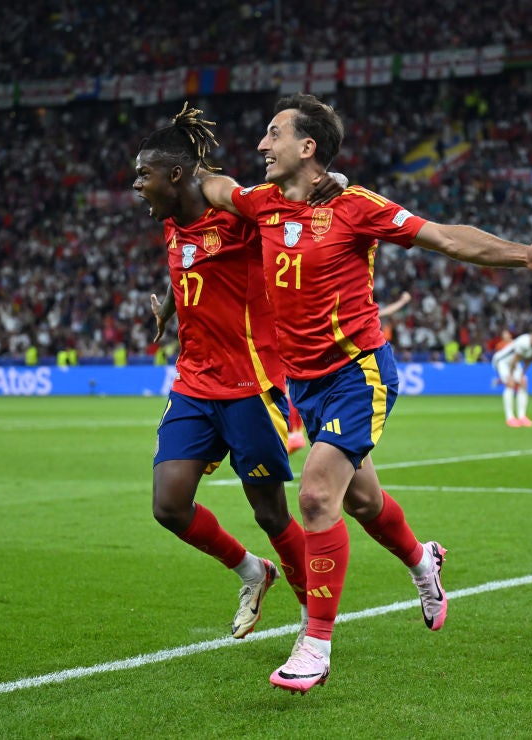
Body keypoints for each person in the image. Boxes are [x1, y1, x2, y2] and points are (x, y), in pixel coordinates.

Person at [200, 93, 532, 694]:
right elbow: (219, 189)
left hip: (359, 374)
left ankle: (316, 645)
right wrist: (183, 163)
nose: (261, 145)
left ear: (307, 147)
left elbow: (447, 238)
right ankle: (421, 561)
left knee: (315, 494)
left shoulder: (358, 208)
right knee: (362, 503)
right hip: (305, 383)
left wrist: (523, 256)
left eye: (273, 134)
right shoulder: (265, 204)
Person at [134, 103, 343, 640]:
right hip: (194, 382)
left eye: (144, 175)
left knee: (271, 514)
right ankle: (253, 571)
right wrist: (168, 308)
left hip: (250, 385)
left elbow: (282, 200)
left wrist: (332, 180)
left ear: (176, 175)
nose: (137, 186)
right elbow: (194, 273)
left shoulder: (224, 203)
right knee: (169, 504)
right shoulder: (172, 220)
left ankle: (312, 621)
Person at [491, 326, 532, 427]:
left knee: (523, 382)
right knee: (510, 384)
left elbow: (530, 358)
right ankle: (510, 418)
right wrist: (511, 376)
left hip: (514, 363)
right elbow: (515, 359)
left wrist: (522, 374)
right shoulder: (523, 342)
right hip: (502, 361)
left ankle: (522, 417)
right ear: (531, 336)